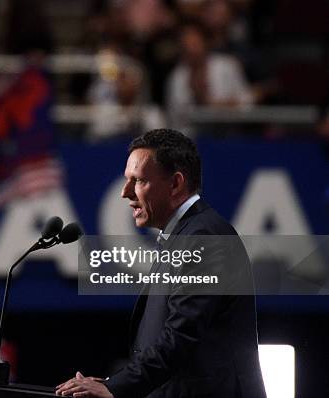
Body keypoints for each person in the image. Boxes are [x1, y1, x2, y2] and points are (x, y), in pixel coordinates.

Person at [56, 129, 266, 397]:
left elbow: (182, 334)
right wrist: (112, 381)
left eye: (138, 180)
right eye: (126, 180)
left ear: (176, 184)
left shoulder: (202, 237)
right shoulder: (184, 234)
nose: (125, 192)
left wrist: (115, 387)